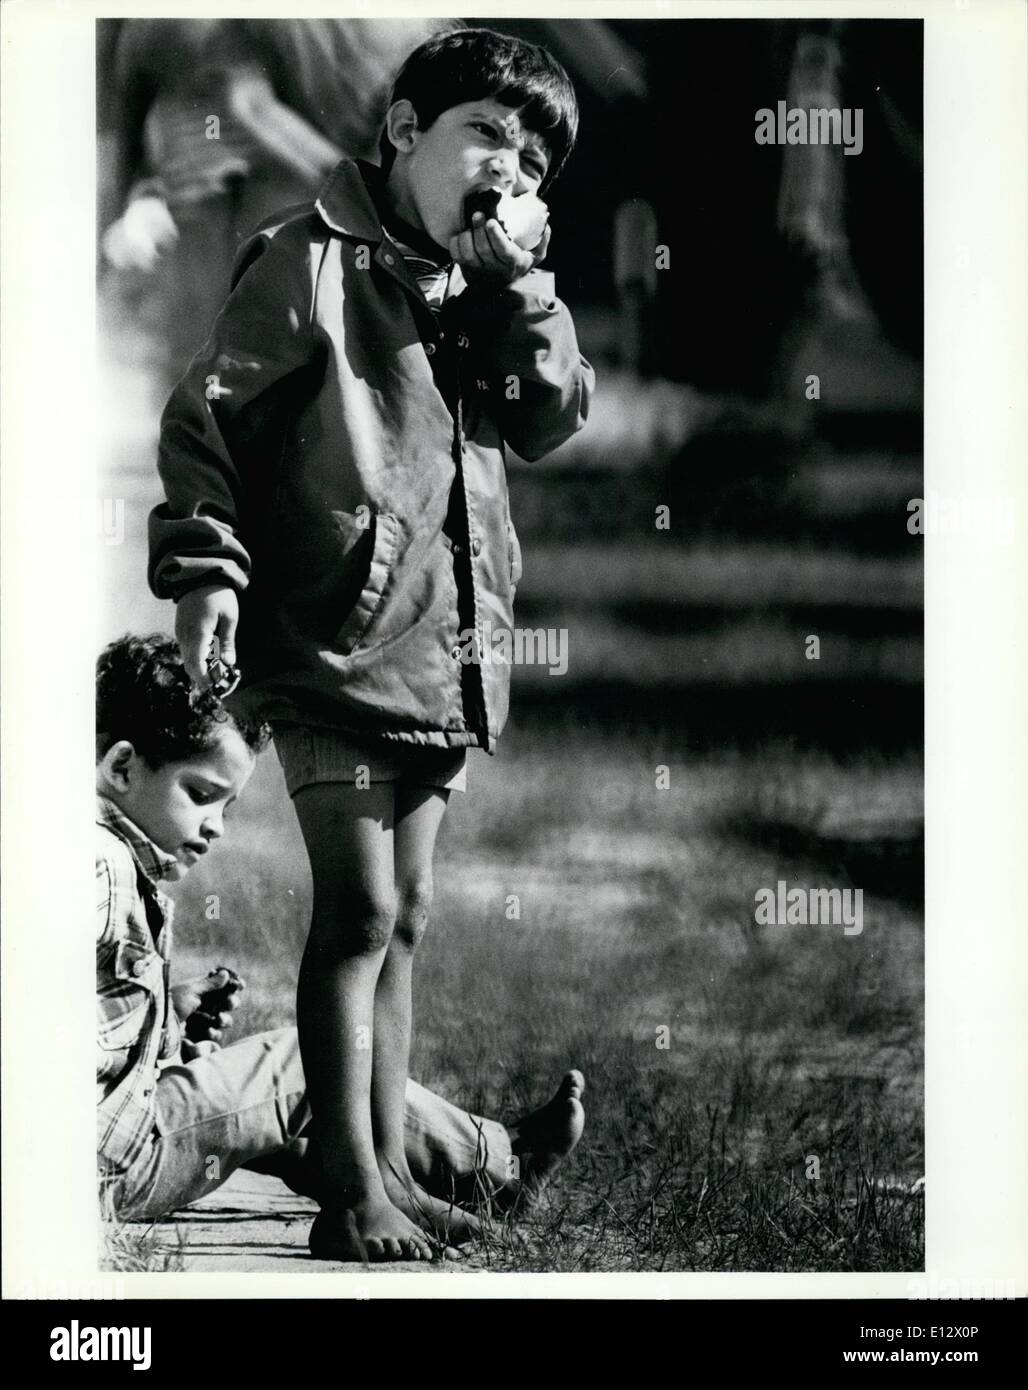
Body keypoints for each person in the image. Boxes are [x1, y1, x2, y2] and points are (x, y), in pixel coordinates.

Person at [148, 27, 594, 1261]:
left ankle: (392, 1165)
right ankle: (345, 1193)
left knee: (407, 918)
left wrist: (522, 289)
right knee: (356, 910)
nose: (512, 167)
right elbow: (207, 422)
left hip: (440, 655)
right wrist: (204, 572)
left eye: (535, 158)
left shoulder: (485, 289)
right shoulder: (308, 261)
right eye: (487, 135)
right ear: (403, 131)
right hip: (330, 645)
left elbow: (549, 417)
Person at [97, 634, 586, 1259]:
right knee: (306, 1063)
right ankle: (490, 1165)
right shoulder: (99, 866)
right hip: (111, 1158)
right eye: (199, 794)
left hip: (107, 1147)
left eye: (227, 804)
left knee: (302, 1121)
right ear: (120, 767)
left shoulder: (106, 857)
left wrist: (166, 1015)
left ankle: (486, 1173)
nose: (216, 824)